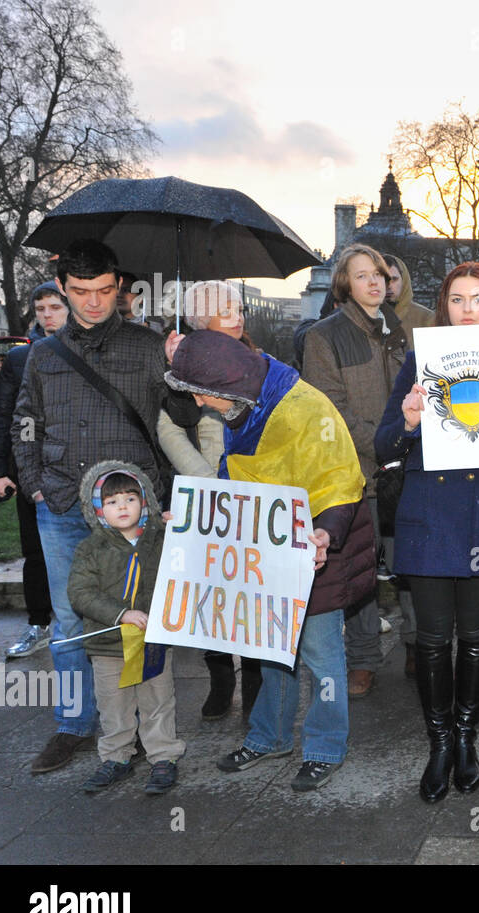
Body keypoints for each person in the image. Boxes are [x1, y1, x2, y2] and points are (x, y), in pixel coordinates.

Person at [166, 329, 376, 792]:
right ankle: (269, 737)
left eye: (204, 394)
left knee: (321, 658)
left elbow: (342, 482)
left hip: (317, 550)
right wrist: (195, 517)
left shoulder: (306, 408)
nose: (201, 404)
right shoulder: (247, 403)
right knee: (269, 651)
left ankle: (324, 747)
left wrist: (325, 534)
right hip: (266, 553)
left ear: (227, 388)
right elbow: (240, 477)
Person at [374, 262, 479, 803]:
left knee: (475, 637)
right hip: (429, 517)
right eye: (457, 300)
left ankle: (466, 739)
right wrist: (409, 422)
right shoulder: (423, 361)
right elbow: (383, 446)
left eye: (478, 300)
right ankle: (438, 743)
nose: (467, 309)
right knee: (431, 638)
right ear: (443, 306)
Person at [13, 239, 172, 775]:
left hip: (132, 510)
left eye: (105, 291)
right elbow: (24, 424)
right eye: (81, 292)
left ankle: (142, 730)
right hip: (60, 505)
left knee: (137, 619)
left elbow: (182, 418)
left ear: (119, 287)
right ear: (62, 289)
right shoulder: (41, 354)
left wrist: (182, 367)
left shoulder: (148, 347)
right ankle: (74, 725)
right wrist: (36, 484)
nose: (95, 303)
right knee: (69, 621)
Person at [303, 244, 413, 698]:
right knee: (361, 573)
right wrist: (387, 440)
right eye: (362, 275)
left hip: (405, 470)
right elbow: (329, 410)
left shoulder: (400, 331)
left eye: (380, 274)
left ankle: (414, 646)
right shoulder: (323, 335)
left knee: (408, 565)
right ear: (345, 284)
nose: (373, 282)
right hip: (354, 473)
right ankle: (364, 659)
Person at [156, 280, 263, 721]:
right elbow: (170, 426)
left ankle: (257, 682)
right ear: (200, 319)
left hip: (257, 494)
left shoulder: (261, 361)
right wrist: (211, 480)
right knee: (214, 597)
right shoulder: (186, 361)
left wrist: (243, 478)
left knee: (256, 597)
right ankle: (221, 678)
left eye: (238, 307)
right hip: (205, 499)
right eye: (224, 309)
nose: (236, 315)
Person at [67, 463, 184, 795]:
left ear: (144, 502)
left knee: (158, 699)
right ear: (98, 509)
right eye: (112, 501)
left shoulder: (160, 540)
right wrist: (121, 614)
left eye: (130, 498)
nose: (122, 507)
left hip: (153, 641)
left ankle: (163, 756)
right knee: (113, 704)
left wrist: (182, 527)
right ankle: (116, 757)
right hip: (108, 645)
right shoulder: (90, 549)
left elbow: (188, 560)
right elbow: (80, 594)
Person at [0, 283, 63, 659]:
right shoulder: (19, 360)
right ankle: (38, 623)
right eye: (41, 308)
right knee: (35, 552)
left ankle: (85, 627)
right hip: (31, 470)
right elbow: (1, 416)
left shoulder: (92, 352)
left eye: (54, 307)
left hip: (80, 469)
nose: (47, 315)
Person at [383, 252, 436, 330]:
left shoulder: (425, 318)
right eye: (383, 279)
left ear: (404, 281)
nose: (388, 286)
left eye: (394, 279)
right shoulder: (361, 318)